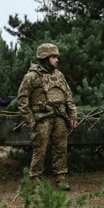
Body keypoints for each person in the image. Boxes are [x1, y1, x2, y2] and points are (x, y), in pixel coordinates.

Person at [16, 43, 78, 188]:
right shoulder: (31, 76)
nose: (57, 60)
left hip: (60, 117)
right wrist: (31, 121)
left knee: (61, 148)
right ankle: (35, 181)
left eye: (56, 57)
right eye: (53, 57)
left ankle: (61, 178)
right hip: (42, 119)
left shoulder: (59, 75)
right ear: (45, 58)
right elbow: (22, 100)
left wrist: (73, 115)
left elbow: (68, 97)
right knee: (40, 150)